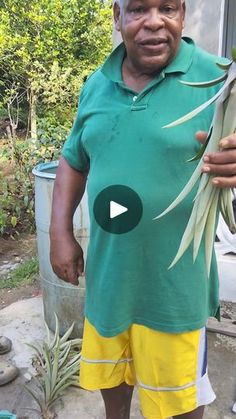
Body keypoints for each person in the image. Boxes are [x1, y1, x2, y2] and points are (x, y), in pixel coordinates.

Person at [49, 1, 236, 418]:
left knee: (179, 402)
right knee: (111, 381)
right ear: (118, 18)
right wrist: (59, 232)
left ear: (183, 15)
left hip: (173, 291)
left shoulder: (221, 79)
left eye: (167, 7)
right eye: (138, 10)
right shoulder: (97, 83)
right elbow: (73, 158)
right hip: (109, 280)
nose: (154, 21)